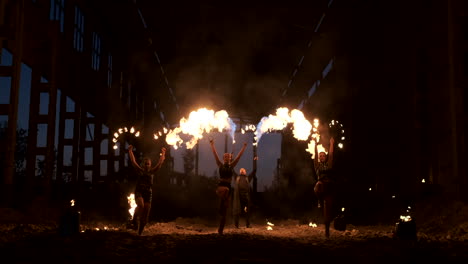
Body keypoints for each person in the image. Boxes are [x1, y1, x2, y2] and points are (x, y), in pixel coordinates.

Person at [209, 138, 247, 234]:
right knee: (224, 192)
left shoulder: (232, 166)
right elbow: (215, 155)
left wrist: (244, 147)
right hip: (221, 186)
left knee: (225, 210)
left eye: (228, 157)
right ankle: (221, 207)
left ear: (230, 158)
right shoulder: (220, 165)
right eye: (225, 157)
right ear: (223, 158)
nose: (227, 158)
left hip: (228, 187)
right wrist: (212, 145)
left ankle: (220, 229)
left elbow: (239, 156)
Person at [127, 144, 166, 235]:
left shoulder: (153, 171)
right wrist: (130, 151)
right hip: (139, 192)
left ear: (150, 165)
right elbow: (133, 161)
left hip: (148, 194)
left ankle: (139, 233)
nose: (146, 165)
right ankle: (133, 220)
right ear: (142, 164)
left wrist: (163, 153)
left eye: (148, 164)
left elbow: (160, 163)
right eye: (145, 163)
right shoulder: (139, 170)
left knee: (145, 216)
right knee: (141, 205)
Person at [313, 136, 335, 238]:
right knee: (318, 184)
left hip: (329, 188)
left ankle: (327, 231)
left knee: (327, 211)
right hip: (320, 187)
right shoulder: (317, 166)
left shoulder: (329, 165)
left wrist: (332, 144)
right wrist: (315, 144)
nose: (321, 157)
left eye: (323, 156)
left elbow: (331, 154)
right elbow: (315, 155)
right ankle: (318, 200)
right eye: (320, 156)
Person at [232, 157, 257, 228]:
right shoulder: (236, 177)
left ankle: (248, 225)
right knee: (237, 211)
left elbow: (254, 170)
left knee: (247, 211)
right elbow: (232, 169)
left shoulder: (248, 178)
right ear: (240, 172)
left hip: (245, 197)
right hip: (238, 198)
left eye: (243, 170)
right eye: (241, 170)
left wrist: (254, 161)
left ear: (245, 172)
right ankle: (236, 225)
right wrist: (231, 160)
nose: (242, 170)